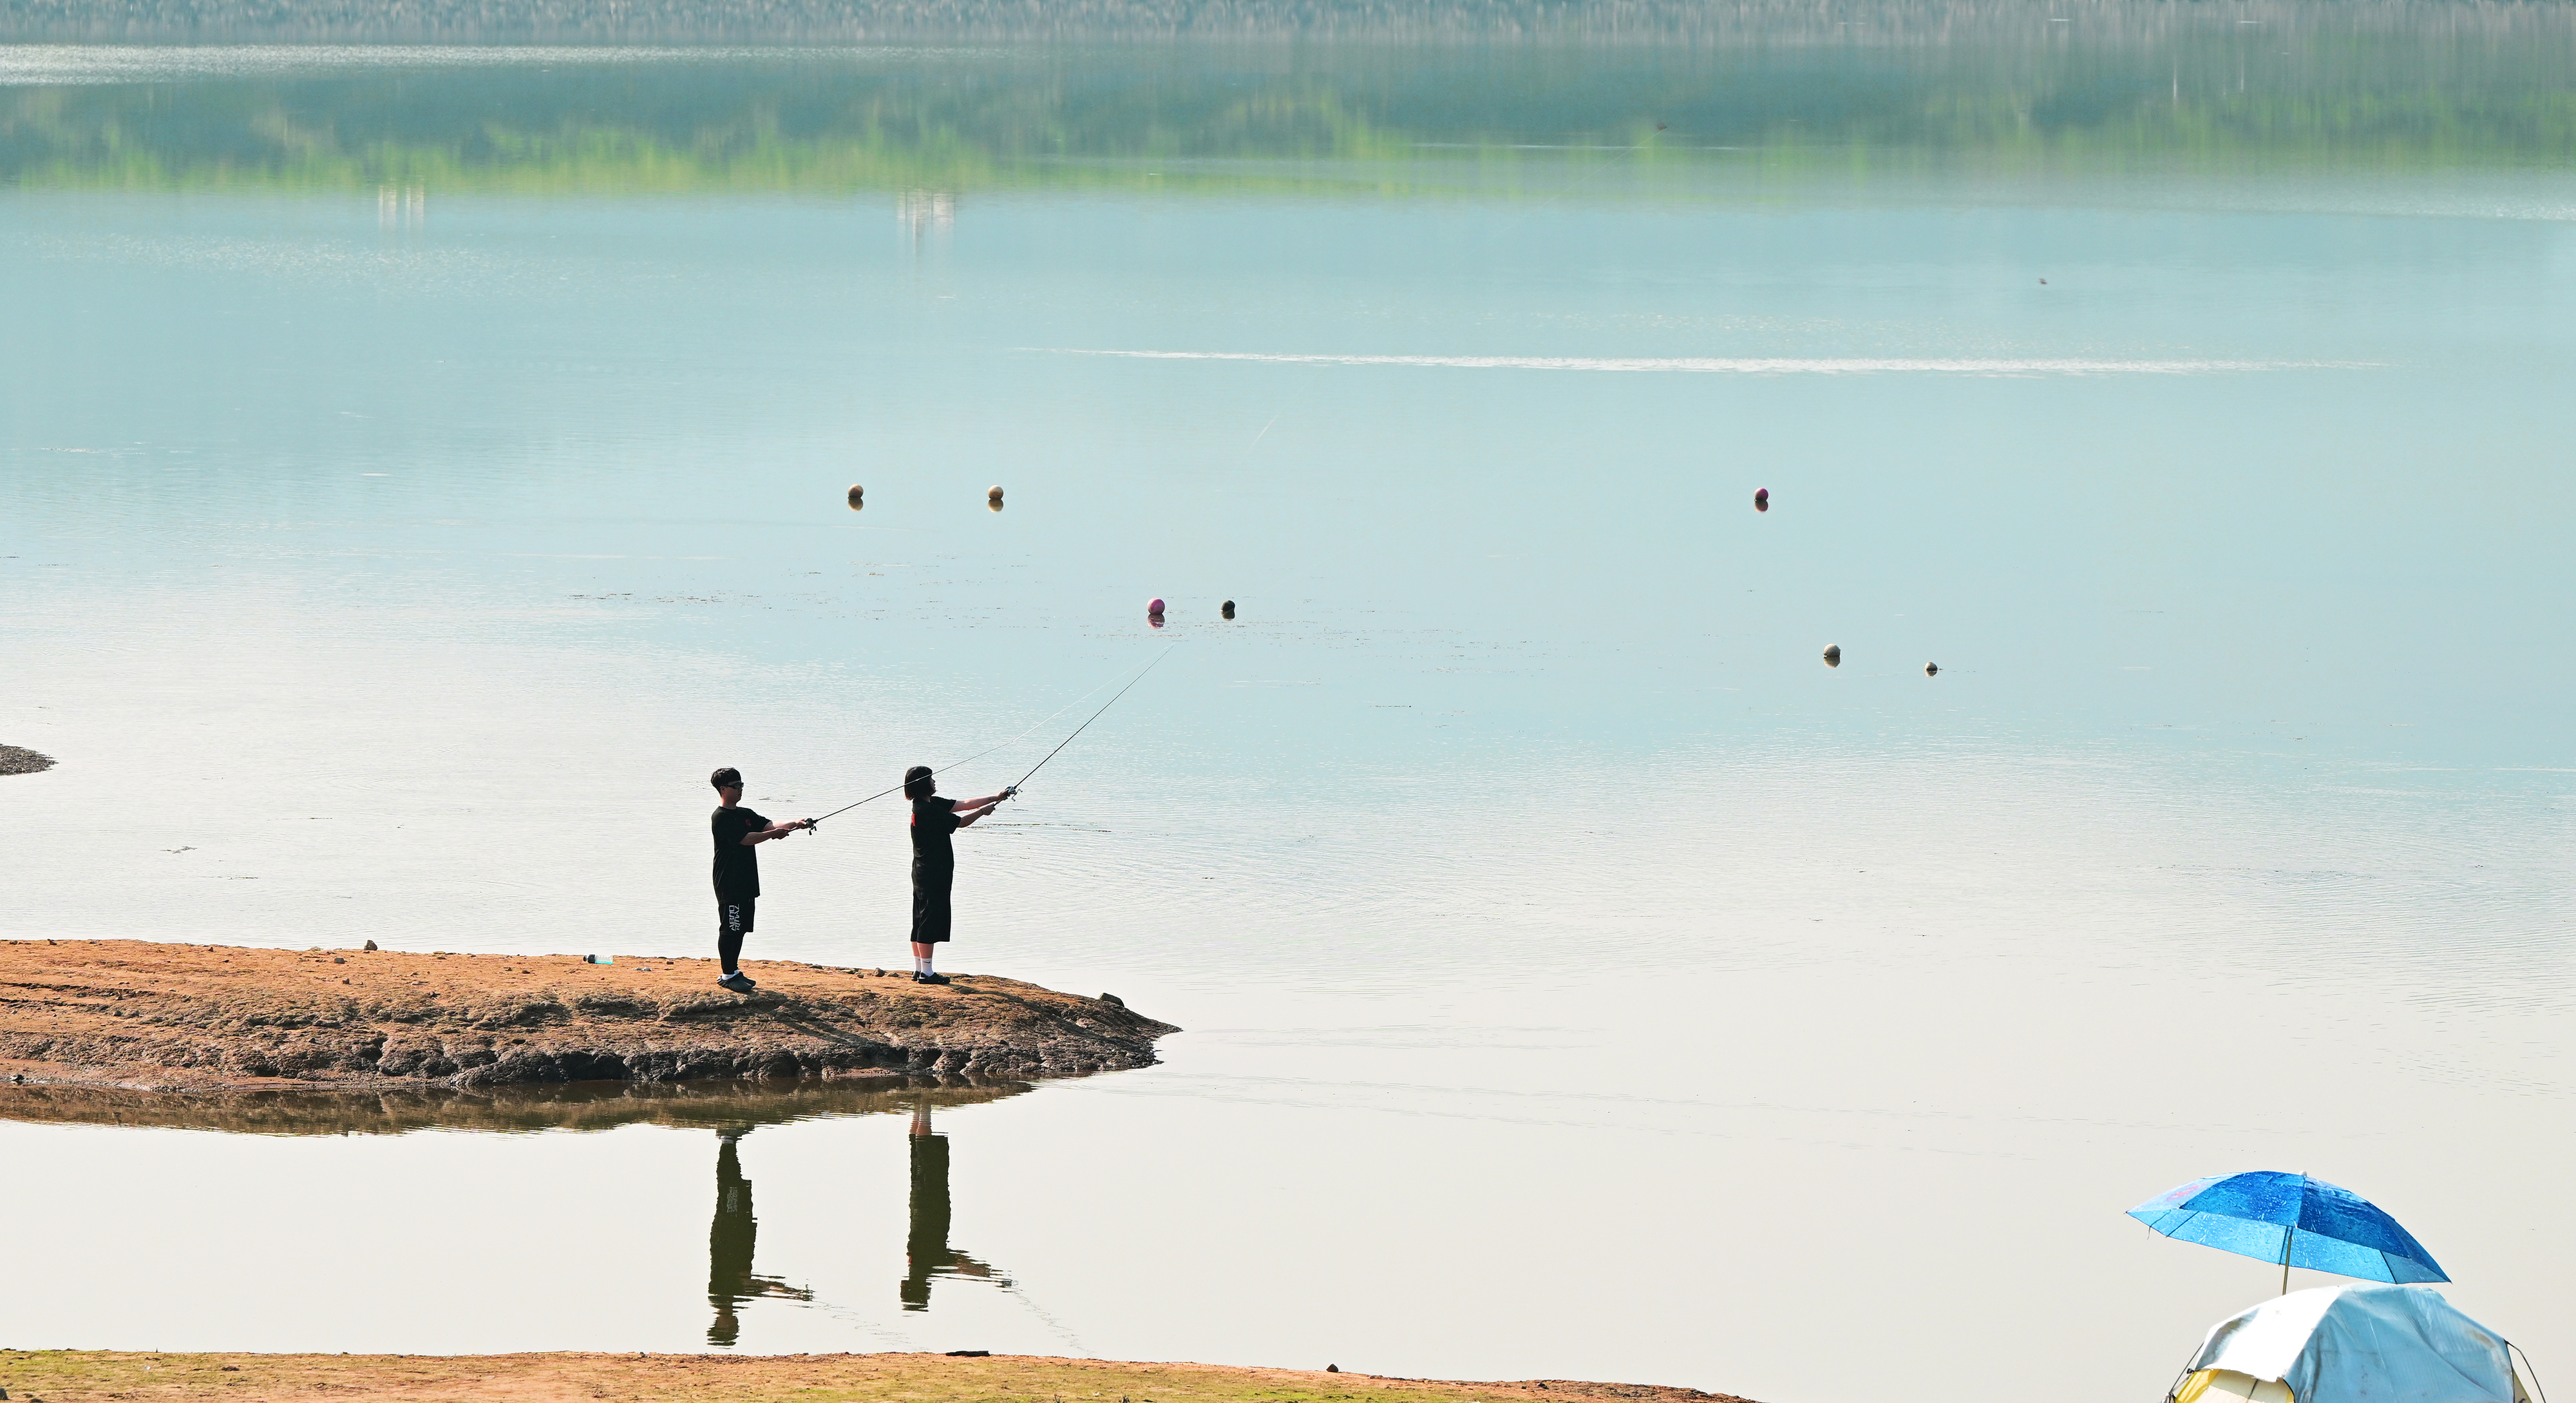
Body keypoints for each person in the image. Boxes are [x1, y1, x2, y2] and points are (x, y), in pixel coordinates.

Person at [904, 765, 1009, 984]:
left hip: (923, 873)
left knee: (920, 920)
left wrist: (997, 797)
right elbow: (961, 821)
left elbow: (963, 805)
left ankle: (918, 969)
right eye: (932, 779)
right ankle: (927, 973)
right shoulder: (927, 811)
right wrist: (984, 812)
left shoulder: (927, 804)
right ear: (924, 784)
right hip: (932, 874)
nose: (935, 782)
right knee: (928, 923)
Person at [709, 767, 810, 994]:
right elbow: (746, 839)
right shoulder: (720, 817)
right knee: (730, 927)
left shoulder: (745, 813)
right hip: (729, 881)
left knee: (742, 927)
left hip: (746, 881)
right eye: (736, 786)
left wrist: (795, 822)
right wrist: (772, 835)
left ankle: (734, 971)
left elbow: (769, 825)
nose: (741, 789)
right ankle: (727, 974)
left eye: (742, 785)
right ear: (724, 789)